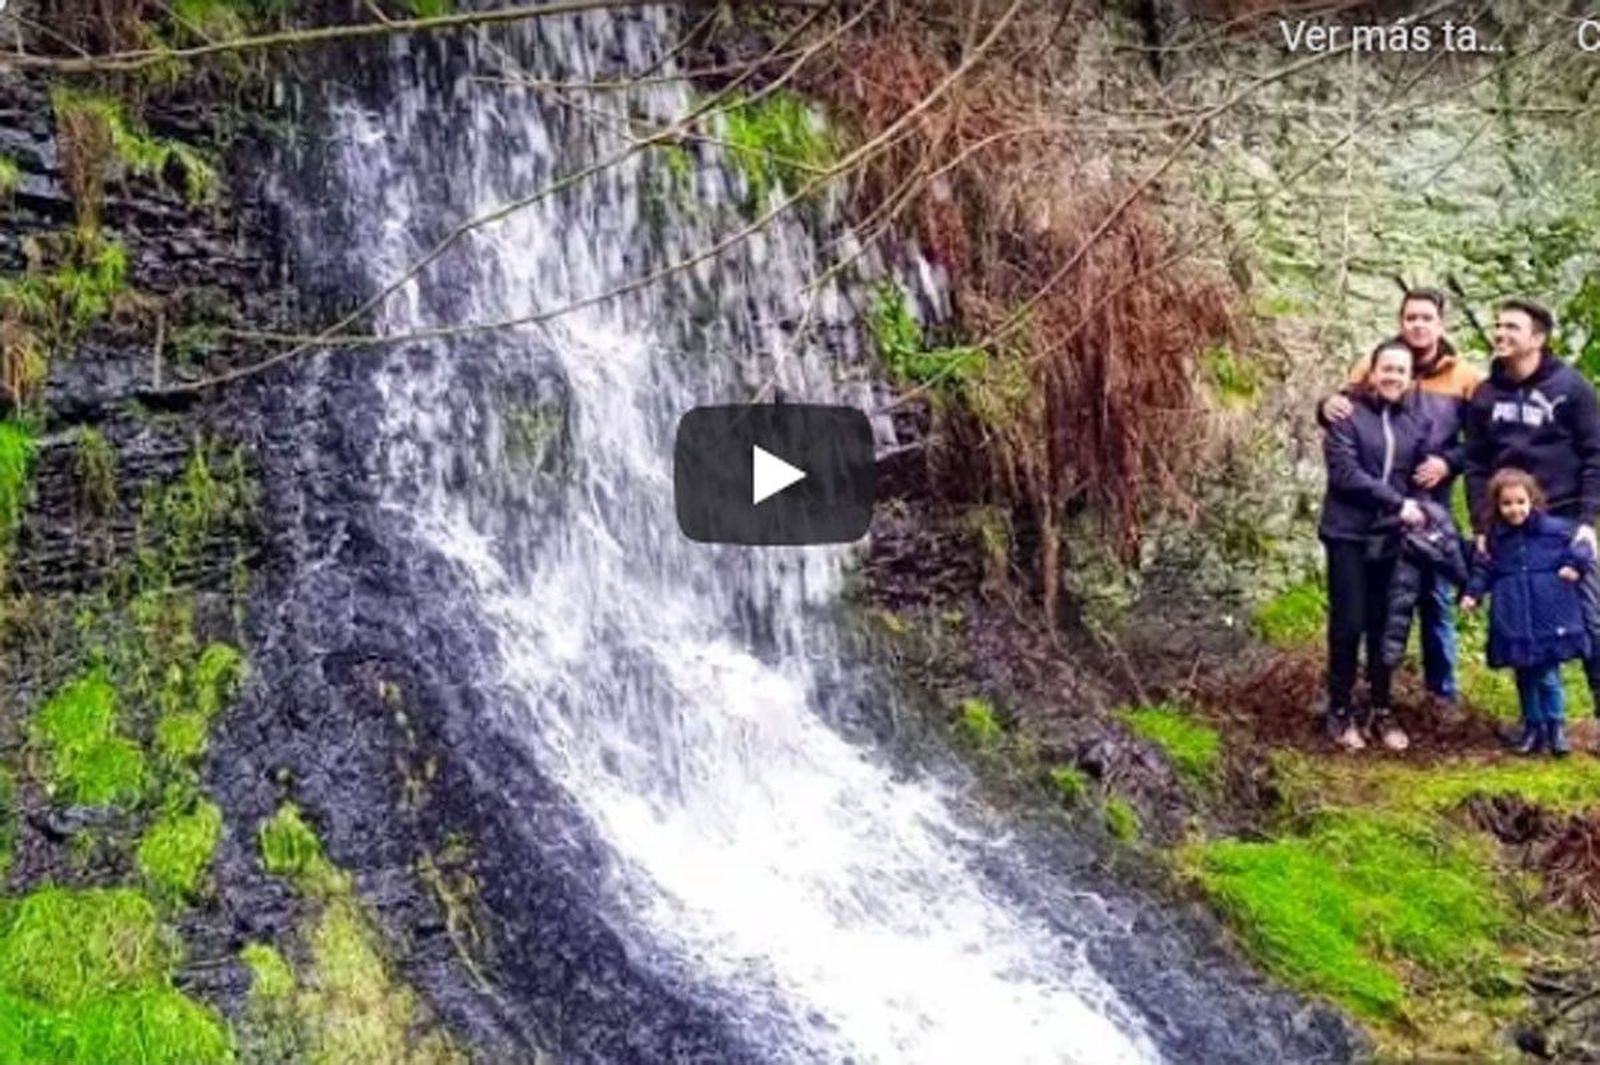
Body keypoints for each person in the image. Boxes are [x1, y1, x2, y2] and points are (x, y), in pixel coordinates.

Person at [1321, 289, 1484, 718]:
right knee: (1363, 616)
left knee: (1429, 603)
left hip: (1424, 507)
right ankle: (1345, 700)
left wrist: (1447, 463)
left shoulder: (1465, 378)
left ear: (1441, 324)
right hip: (1373, 514)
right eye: (1411, 317)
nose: (1418, 325)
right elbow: (1344, 411)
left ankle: (1439, 696)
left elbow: (1482, 442)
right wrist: (1324, 406)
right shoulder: (1376, 363)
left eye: (1427, 318)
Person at [1463, 299, 1600, 720]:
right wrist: (1482, 525)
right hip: (1509, 526)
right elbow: (1475, 464)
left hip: (1564, 521)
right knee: (1521, 623)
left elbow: (1595, 455)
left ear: (1537, 338)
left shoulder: (1572, 387)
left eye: (1512, 327)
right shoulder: (1485, 395)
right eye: (1498, 325)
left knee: (1591, 618)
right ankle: (1537, 724)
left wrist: (1588, 522)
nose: (1500, 334)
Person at [1319, 341, 1432, 751]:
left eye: (1401, 371)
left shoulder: (1415, 424)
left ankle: (1381, 709)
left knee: (1385, 628)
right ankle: (1340, 709)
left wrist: (1421, 506)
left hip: (1391, 538)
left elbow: (1420, 478)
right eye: (1387, 368)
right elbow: (1345, 474)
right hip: (1347, 534)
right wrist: (1397, 503)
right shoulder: (1346, 414)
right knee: (1349, 623)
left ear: (1410, 378)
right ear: (1372, 371)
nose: (1393, 377)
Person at [1460, 468, 1592, 756]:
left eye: (1520, 502)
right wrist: (1472, 593)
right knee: (1524, 676)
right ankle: (1533, 728)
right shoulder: (1496, 539)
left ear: (1532, 500)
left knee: (1548, 674)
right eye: (1507, 504)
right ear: (1497, 506)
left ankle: (1556, 728)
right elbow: (1484, 569)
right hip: (1513, 615)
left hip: (1548, 614)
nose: (1515, 509)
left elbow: (1583, 547)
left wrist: (1574, 565)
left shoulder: (1554, 530)